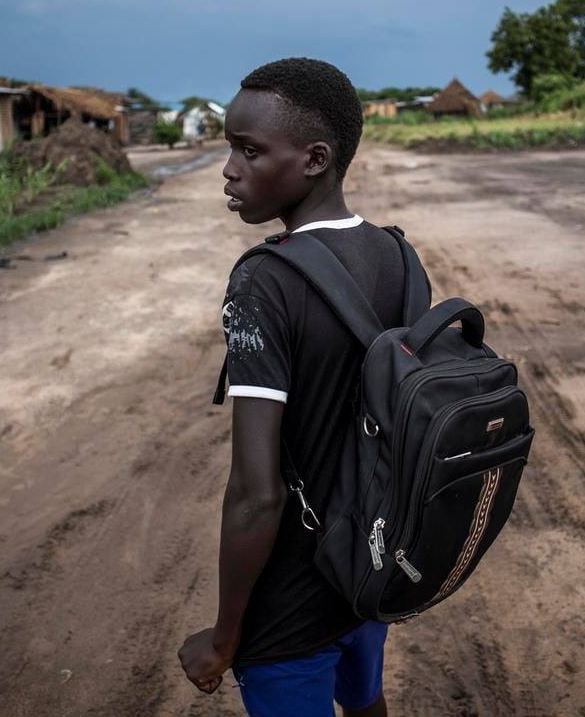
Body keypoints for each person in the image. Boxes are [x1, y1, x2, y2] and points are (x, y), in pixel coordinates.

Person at [179, 58, 424, 717]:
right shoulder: (401, 256)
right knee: (366, 700)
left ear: (316, 159)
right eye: (230, 147)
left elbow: (258, 493)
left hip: (291, 601)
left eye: (249, 150)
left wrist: (225, 639)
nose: (229, 169)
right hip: (367, 569)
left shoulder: (265, 281)